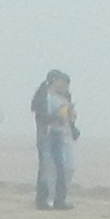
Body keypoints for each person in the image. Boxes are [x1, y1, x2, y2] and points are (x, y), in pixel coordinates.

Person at [29, 70, 78, 210]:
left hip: (63, 136)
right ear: (54, 80)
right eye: (62, 82)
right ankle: (45, 201)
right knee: (48, 169)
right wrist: (56, 117)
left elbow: (69, 117)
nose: (65, 86)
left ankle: (59, 199)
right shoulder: (42, 96)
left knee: (67, 168)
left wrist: (71, 119)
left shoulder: (65, 97)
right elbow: (40, 116)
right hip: (48, 136)